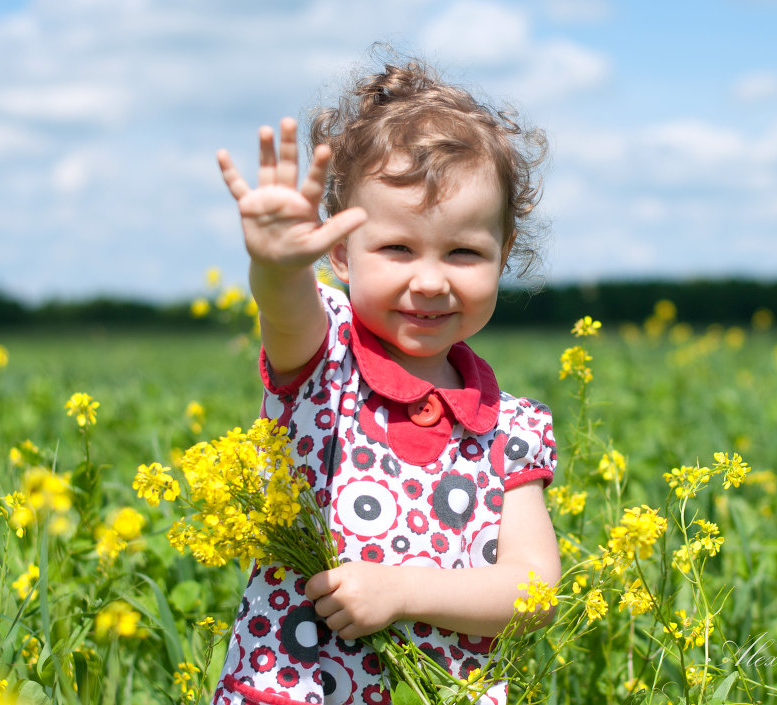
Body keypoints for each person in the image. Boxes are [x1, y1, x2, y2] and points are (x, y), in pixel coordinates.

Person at [211, 57, 560, 705]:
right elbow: (287, 314)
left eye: (463, 252)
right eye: (397, 249)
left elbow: (534, 590)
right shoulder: (325, 358)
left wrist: (402, 590)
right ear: (339, 252)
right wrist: (277, 267)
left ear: (503, 253)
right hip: (295, 689)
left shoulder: (513, 430)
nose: (429, 280)